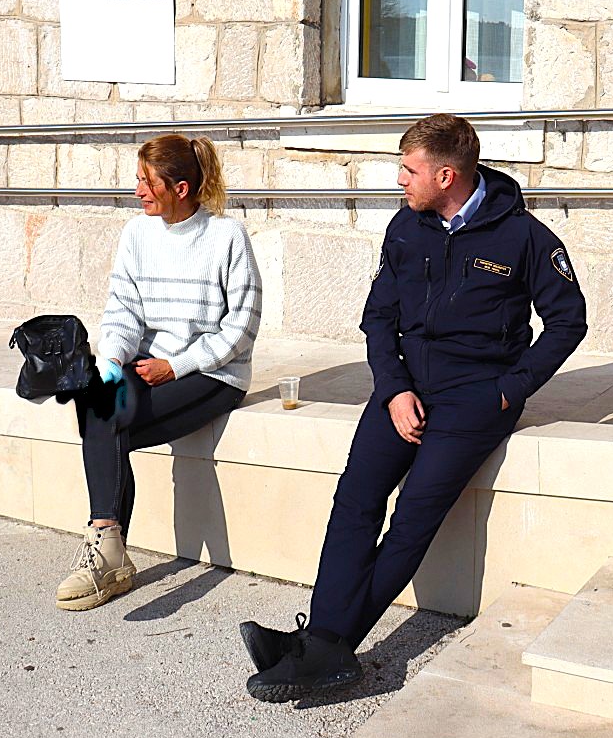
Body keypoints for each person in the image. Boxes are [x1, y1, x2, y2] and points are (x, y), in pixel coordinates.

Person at [239, 113, 587, 699]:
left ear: (446, 176)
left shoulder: (525, 237)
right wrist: (395, 388)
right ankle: (322, 644)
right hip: (402, 388)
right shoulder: (406, 226)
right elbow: (378, 318)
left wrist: (508, 390)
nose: (400, 180)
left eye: (409, 170)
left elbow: (568, 322)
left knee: (411, 521)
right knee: (355, 500)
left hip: (475, 399)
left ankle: (322, 648)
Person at [56, 134, 262, 611]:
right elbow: (123, 310)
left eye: (147, 183)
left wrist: (178, 365)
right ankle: (108, 545)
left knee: (107, 432)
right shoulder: (137, 234)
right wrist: (111, 362)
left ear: (181, 188)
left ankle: (108, 560)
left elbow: (242, 326)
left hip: (214, 373)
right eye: (138, 180)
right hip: (148, 363)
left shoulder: (227, 237)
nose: (138, 191)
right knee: (98, 406)